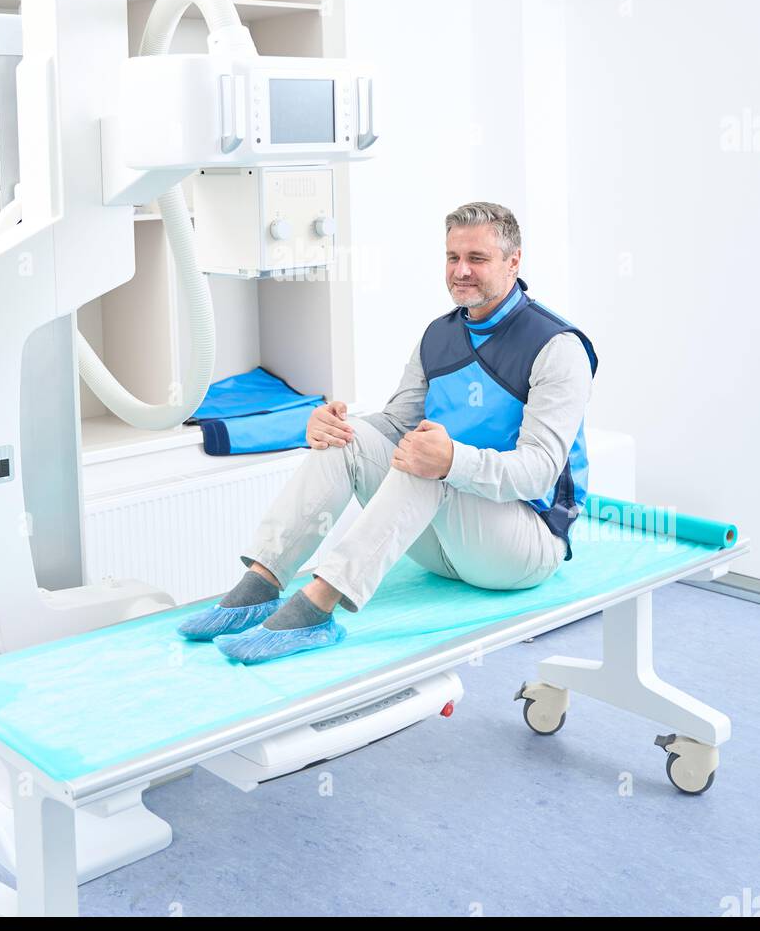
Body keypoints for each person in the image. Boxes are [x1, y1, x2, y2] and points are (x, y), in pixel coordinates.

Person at [179, 201, 597, 664]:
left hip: (523, 544)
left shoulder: (556, 347)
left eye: (477, 259)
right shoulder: (437, 336)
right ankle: (260, 587)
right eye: (452, 258)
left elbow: (539, 473)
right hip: (446, 545)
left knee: (426, 464)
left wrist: (452, 461)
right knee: (350, 438)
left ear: (513, 261)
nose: (461, 271)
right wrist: (332, 425)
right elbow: (397, 425)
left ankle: (316, 609)